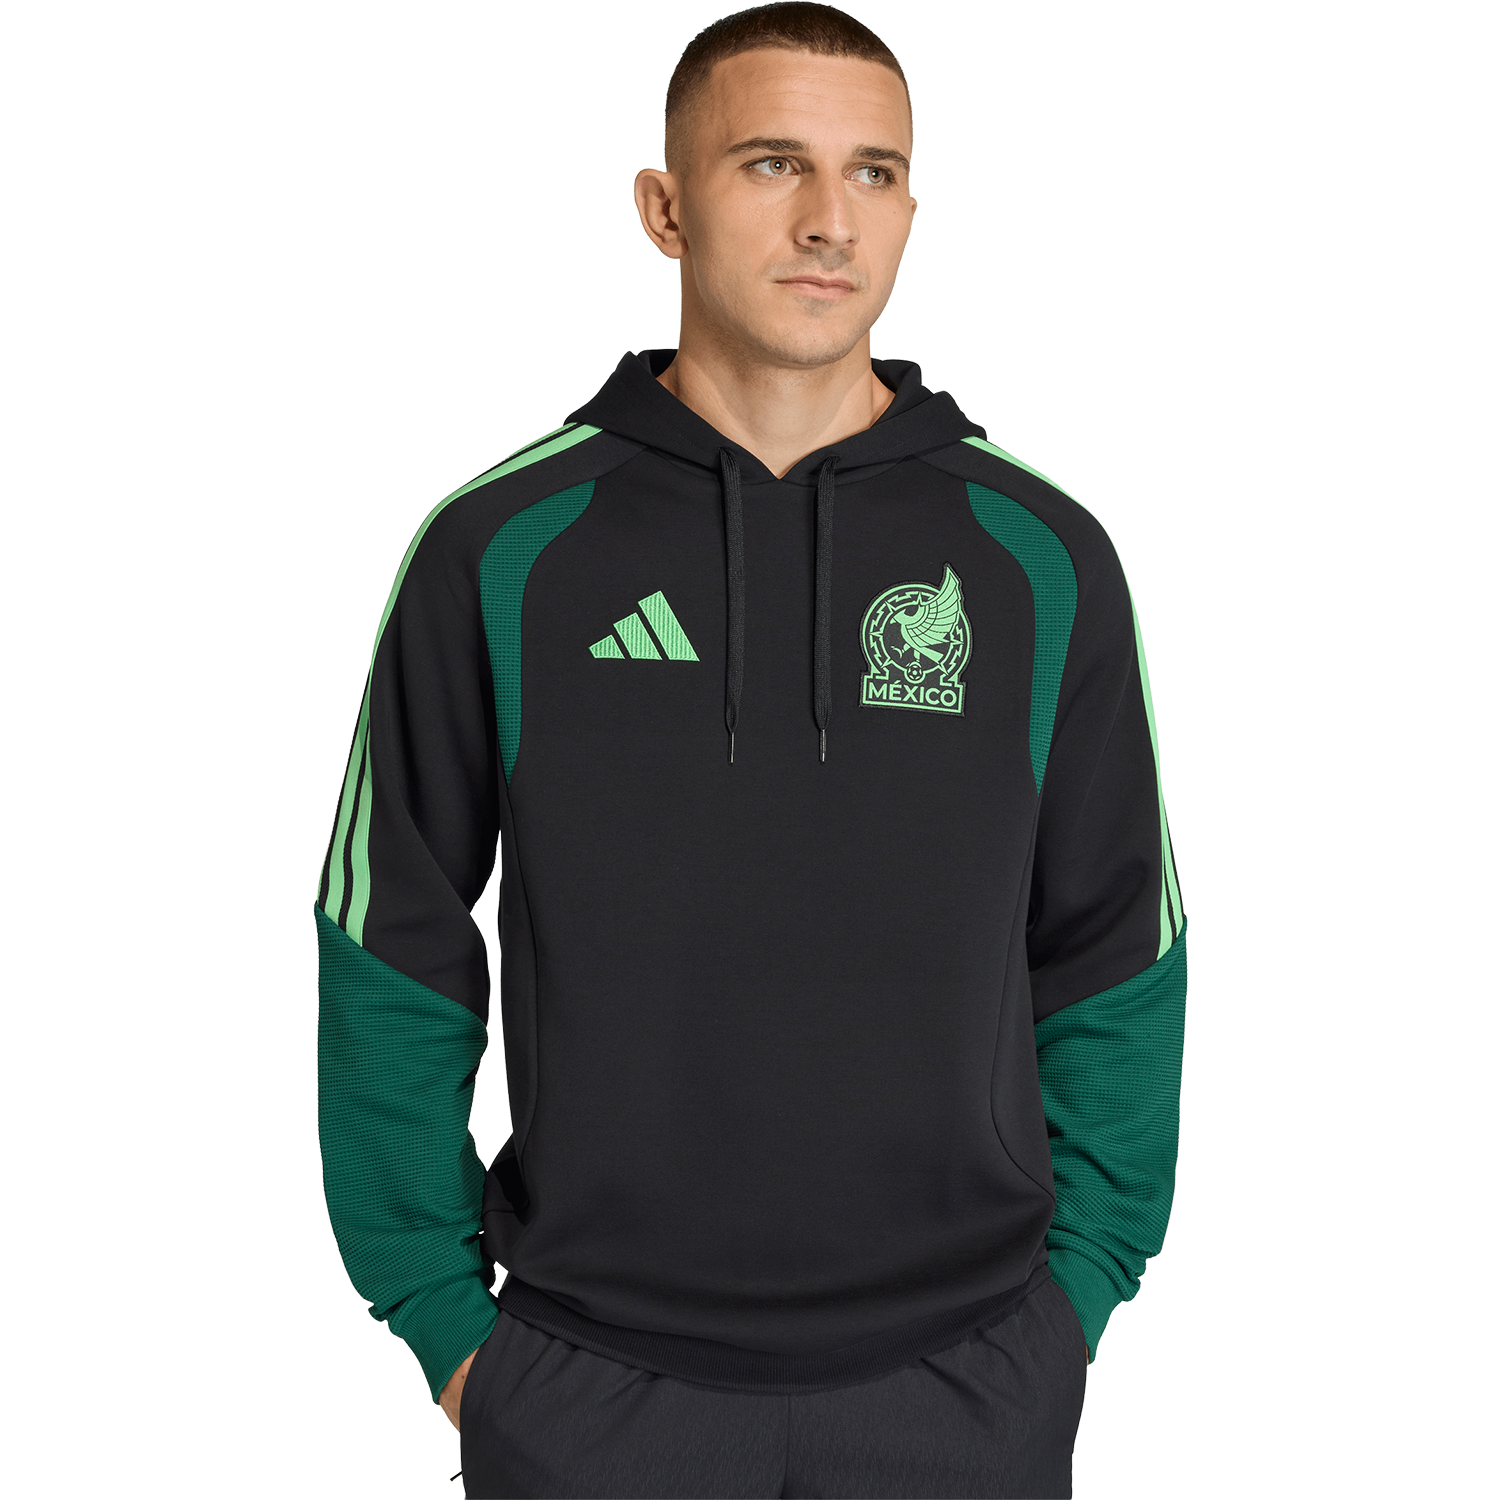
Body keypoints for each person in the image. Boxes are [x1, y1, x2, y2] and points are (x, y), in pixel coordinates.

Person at [315, 5, 1186, 1496]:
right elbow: (387, 937)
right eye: (773, 163)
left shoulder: (1040, 557)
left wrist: (1079, 1298)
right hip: (594, 1384)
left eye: (874, 173)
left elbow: (1117, 948)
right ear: (665, 208)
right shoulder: (505, 548)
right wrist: (444, 1317)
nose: (829, 219)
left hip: (967, 1380)